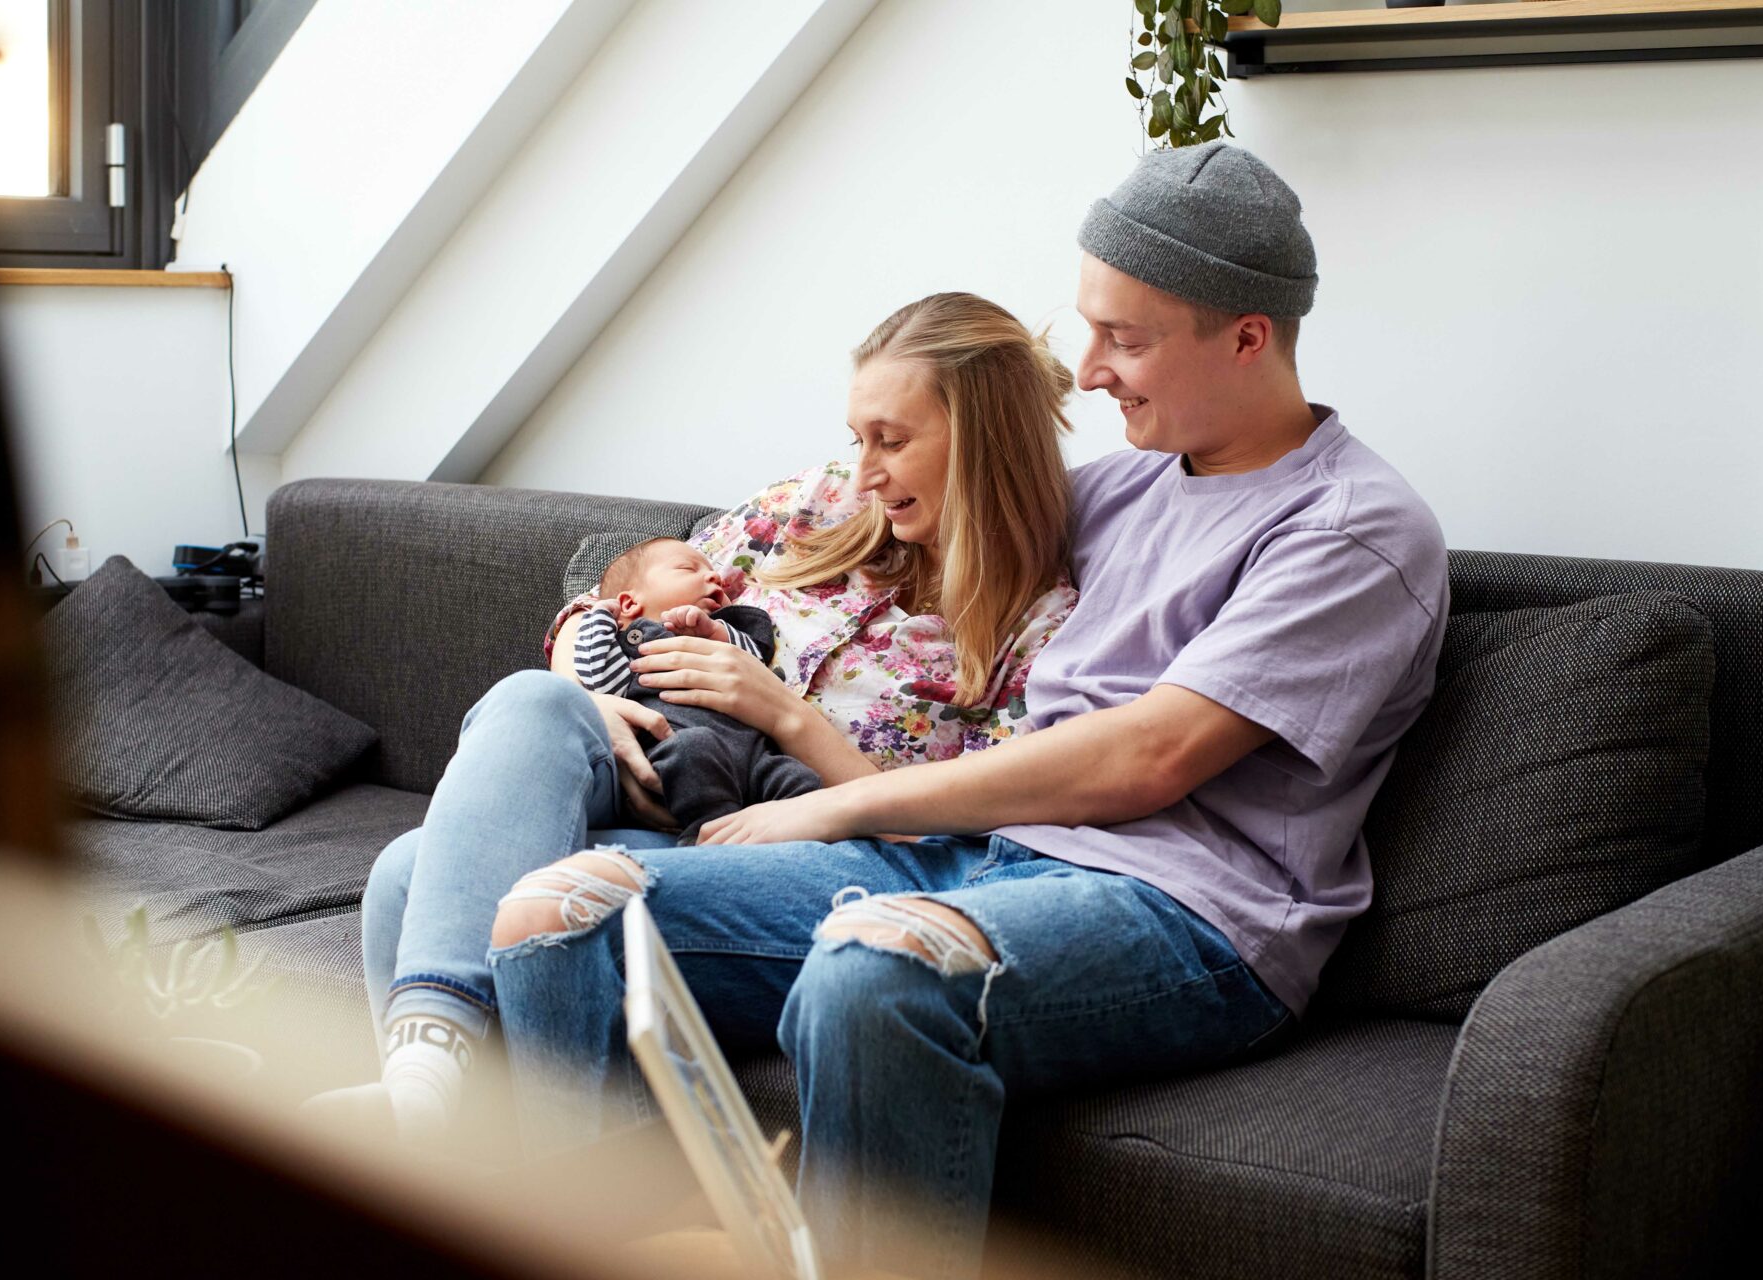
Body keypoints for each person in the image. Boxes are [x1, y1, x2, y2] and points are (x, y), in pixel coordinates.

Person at [479, 144, 1450, 1280]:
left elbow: (1152, 754)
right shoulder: (1127, 486)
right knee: (556, 913)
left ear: (1248, 336)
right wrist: (612, 624)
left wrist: (838, 803)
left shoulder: (1352, 528)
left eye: (1126, 339)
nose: (1090, 370)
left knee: (874, 970)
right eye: (1088, 330)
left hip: (1192, 914)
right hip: (987, 859)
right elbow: (910, 503)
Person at [341, 291, 1080, 1147]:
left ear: (984, 439)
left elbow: (968, 833)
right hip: (645, 769)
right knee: (528, 708)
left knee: (411, 872)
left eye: (892, 441)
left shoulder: (1042, 625)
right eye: (858, 440)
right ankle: (424, 1119)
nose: (864, 473)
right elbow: (614, 586)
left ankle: (457, 1152)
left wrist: (787, 717)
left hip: (786, 845)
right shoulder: (817, 504)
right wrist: (591, 689)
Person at [567, 536, 820, 842]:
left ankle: (810, 846)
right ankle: (708, 836)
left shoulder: (727, 631)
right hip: (679, 752)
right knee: (692, 750)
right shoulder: (634, 647)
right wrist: (600, 618)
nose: (714, 577)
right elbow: (600, 681)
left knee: (803, 782)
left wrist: (716, 632)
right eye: (688, 569)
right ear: (630, 603)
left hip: (756, 758)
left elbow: (754, 667)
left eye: (712, 571)